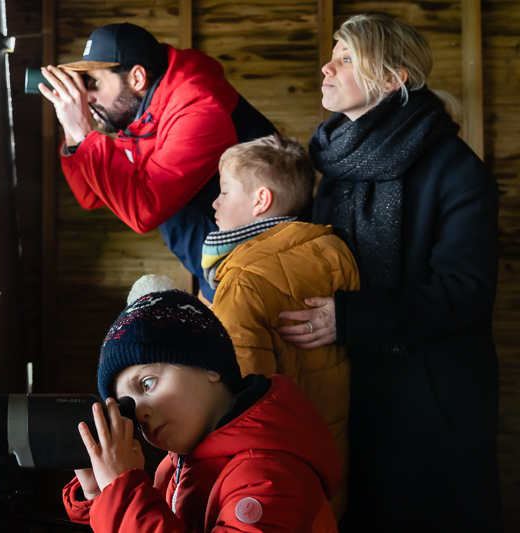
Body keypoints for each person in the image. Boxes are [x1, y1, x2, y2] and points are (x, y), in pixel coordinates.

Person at [277, 14, 501, 531]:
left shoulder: (457, 172)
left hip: (432, 395)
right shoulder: (334, 163)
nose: (326, 67)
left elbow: (463, 291)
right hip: (351, 382)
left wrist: (350, 319)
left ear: (393, 78)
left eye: (347, 58)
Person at [62, 277, 342, 532]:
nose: (140, 414)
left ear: (209, 365)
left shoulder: (267, 474)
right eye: (129, 406)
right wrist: (100, 495)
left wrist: (121, 492)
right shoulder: (173, 468)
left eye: (147, 384)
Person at [39, 23, 277, 301]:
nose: (87, 97)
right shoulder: (142, 117)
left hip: (259, 269)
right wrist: (72, 130)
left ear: (137, 77)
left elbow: (145, 211)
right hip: (219, 268)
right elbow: (91, 195)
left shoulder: (199, 106)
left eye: (94, 83)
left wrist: (83, 131)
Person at [201, 134, 360, 520]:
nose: (215, 202)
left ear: (260, 201)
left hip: (267, 480)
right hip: (332, 453)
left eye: (224, 191)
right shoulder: (333, 250)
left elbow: (237, 394)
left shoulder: (242, 281)